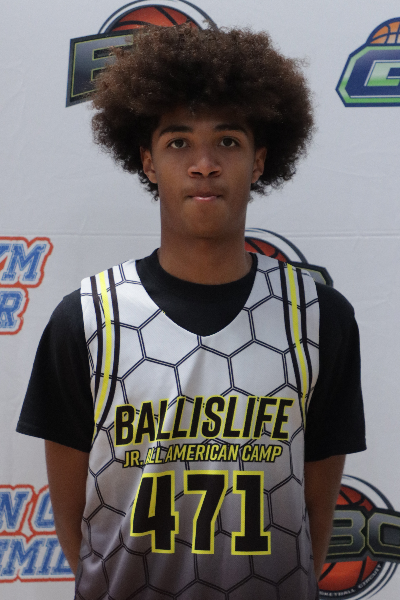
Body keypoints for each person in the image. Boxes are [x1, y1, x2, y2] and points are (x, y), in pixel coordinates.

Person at [17, 24, 366, 600]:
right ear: (148, 161)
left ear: (259, 160)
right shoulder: (87, 318)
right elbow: (76, 524)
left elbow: (315, 520)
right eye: (179, 142)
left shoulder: (319, 317)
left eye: (227, 141)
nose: (204, 164)